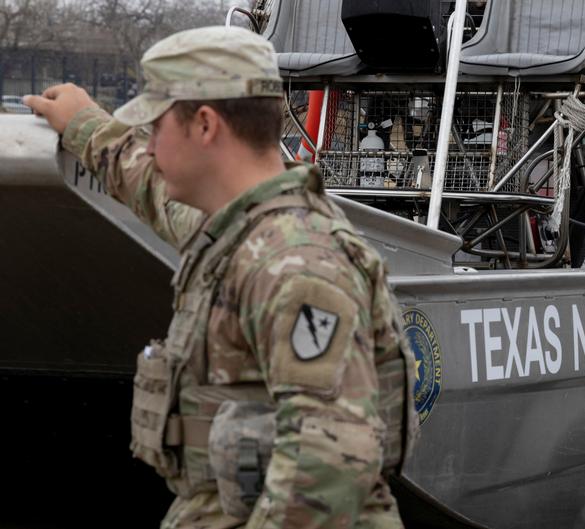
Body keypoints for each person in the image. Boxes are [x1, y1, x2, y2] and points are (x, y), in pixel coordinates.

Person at [24, 25, 416, 529]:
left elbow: (325, 468)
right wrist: (82, 124)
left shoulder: (295, 263)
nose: (152, 144)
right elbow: (148, 184)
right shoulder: (242, 230)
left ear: (205, 125)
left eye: (157, 127)